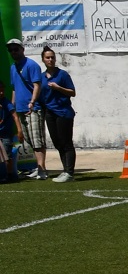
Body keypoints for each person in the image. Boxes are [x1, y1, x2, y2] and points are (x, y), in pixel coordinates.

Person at [6, 39, 47, 180]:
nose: (13, 52)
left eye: (15, 49)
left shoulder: (31, 65)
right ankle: (38, 167)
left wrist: (32, 102)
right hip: (20, 108)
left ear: (22, 49)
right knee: (29, 140)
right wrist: (12, 105)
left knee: (37, 140)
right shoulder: (13, 67)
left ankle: (42, 169)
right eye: (11, 50)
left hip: (33, 108)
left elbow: (37, 85)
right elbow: (14, 89)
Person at [39, 46, 76, 183]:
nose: (50, 59)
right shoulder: (41, 77)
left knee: (66, 142)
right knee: (57, 142)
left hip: (63, 112)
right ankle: (65, 170)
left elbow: (72, 92)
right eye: (47, 57)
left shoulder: (63, 75)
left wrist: (58, 88)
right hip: (50, 113)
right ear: (43, 59)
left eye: (52, 57)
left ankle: (70, 173)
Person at [0, 92, 23, 182]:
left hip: (6, 134)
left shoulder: (7, 103)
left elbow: (15, 117)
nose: (1, 92)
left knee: (7, 155)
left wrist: (19, 130)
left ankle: (10, 175)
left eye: (3, 90)